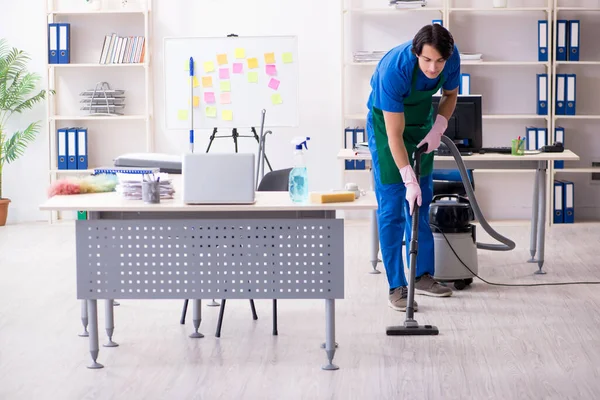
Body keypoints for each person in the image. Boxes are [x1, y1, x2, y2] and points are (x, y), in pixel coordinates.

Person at [366, 23, 461, 311]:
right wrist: (407, 176)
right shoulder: (394, 70)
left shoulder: (451, 57)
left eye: (439, 61)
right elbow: (395, 134)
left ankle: (421, 275)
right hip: (387, 129)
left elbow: (450, 95)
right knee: (394, 207)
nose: (434, 68)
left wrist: (439, 126)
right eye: (427, 60)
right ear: (415, 52)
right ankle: (397, 285)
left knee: (421, 203)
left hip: (422, 125)